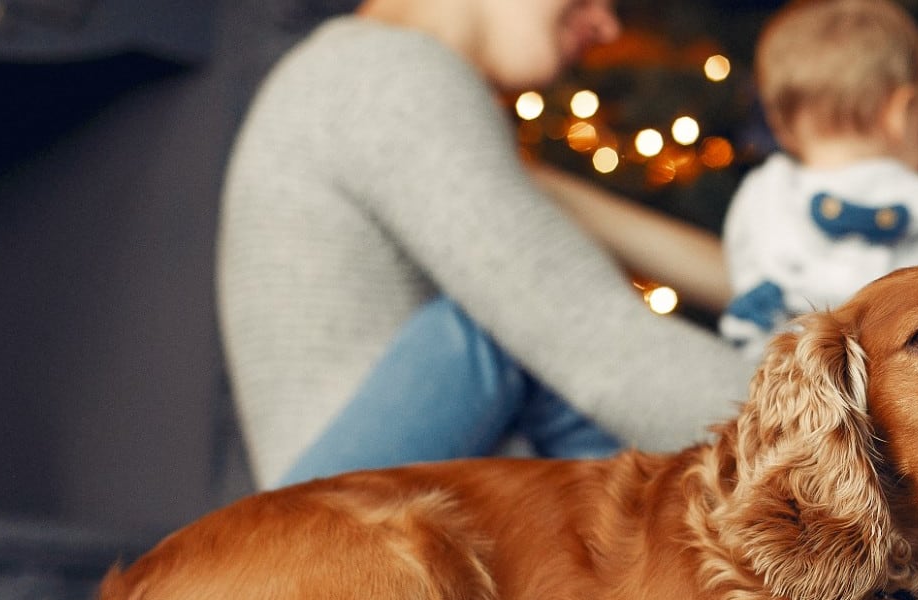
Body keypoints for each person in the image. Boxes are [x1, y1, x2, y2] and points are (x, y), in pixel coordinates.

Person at [217, 0, 752, 489]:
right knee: (508, 328)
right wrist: (797, 427)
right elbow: (594, 339)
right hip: (336, 524)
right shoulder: (391, 73)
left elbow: (582, 251)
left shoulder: (352, 74)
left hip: (338, 513)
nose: (608, 27)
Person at [716, 0, 918, 353]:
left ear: (781, 126)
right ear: (901, 111)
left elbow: (747, 284)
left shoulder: (764, 193)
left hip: (793, 375)